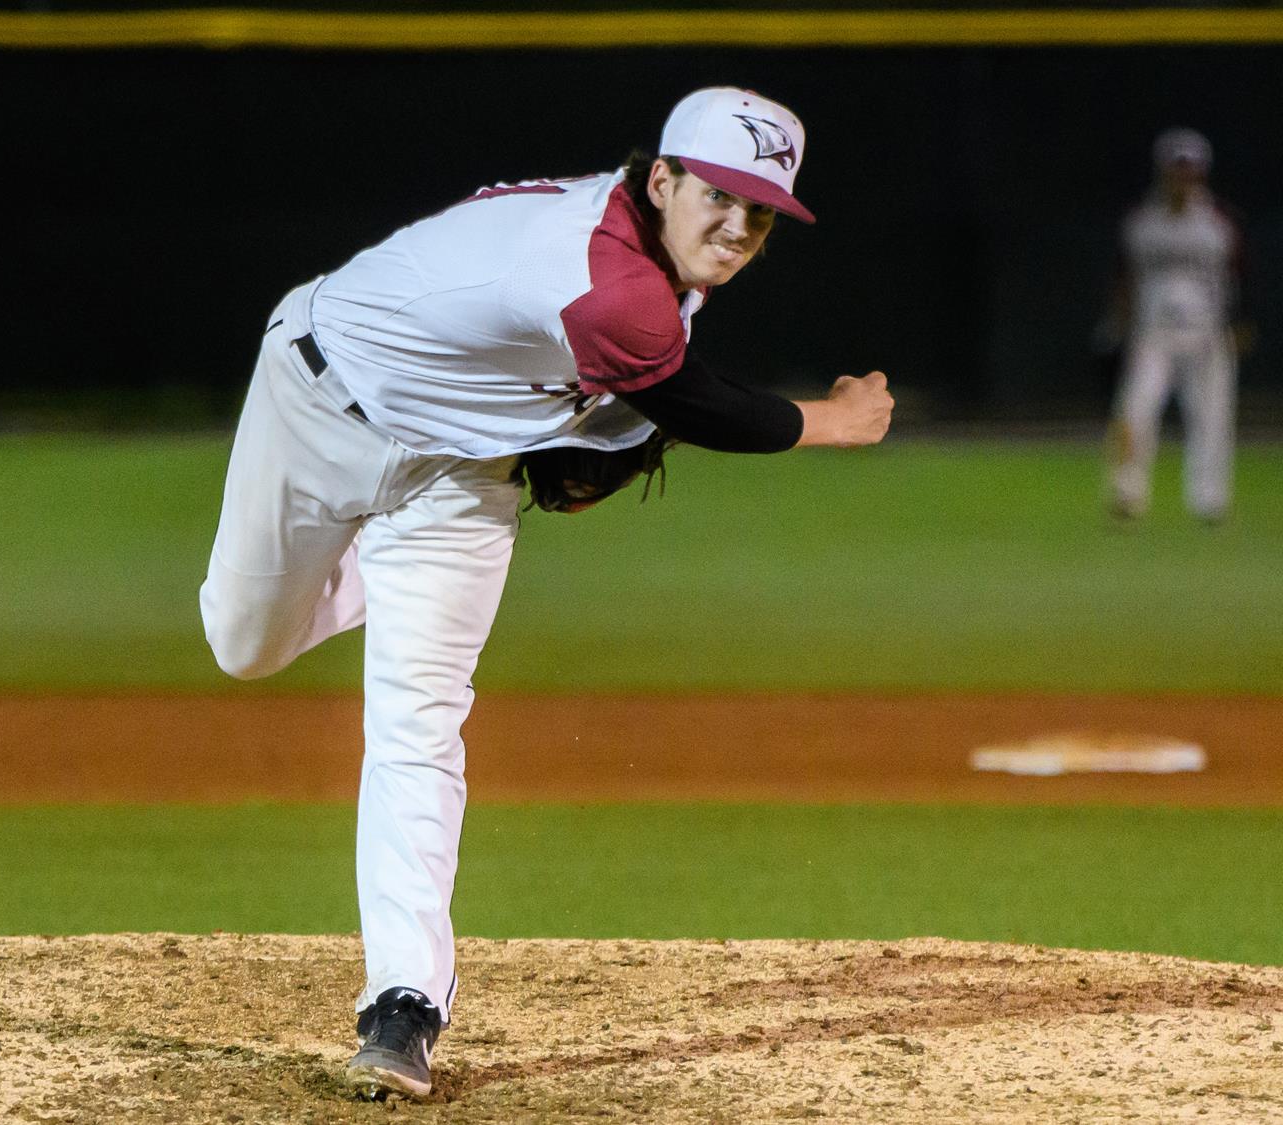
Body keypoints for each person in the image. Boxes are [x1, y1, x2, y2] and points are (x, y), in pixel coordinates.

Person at [198, 87, 893, 1100]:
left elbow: (630, 392)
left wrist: (592, 435)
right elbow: (693, 402)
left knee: (416, 721)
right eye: (718, 195)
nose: (738, 227)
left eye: (761, 212)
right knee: (243, 644)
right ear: (659, 180)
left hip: (458, 477)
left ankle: (402, 1007)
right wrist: (831, 420)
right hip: (318, 400)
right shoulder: (600, 268)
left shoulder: (660, 268)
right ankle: (363, 583)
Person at [1106, 127, 1248, 525]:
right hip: (1152, 335)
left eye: (1190, 170)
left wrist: (1239, 324)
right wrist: (1118, 323)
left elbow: (1240, 276)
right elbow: (1124, 276)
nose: (1183, 177)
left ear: (1202, 172)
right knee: (1134, 413)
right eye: (1176, 169)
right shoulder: (1141, 222)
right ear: (1162, 170)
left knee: (1212, 419)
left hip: (1207, 333)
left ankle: (1210, 502)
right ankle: (1126, 493)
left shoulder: (1220, 222)